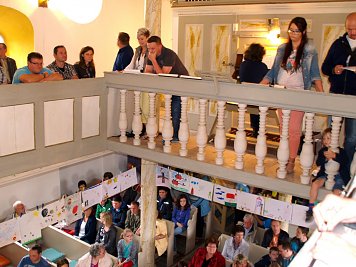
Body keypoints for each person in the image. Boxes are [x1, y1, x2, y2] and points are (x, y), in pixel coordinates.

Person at [261, 17, 324, 174]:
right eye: (290, 30)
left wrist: (322, 94)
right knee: (284, 129)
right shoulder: (283, 48)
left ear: (303, 32)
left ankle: (291, 161)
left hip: (299, 93)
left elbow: (315, 74)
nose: (293, 34)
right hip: (282, 91)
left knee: (294, 130)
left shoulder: (309, 50)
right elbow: (274, 71)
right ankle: (283, 157)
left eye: (296, 31)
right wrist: (261, 84)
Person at [322, 12, 356, 162]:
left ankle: (345, 168)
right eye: (349, 29)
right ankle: (326, 165)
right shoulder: (338, 44)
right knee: (330, 135)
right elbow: (325, 68)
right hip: (336, 94)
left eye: (355, 29)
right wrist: (334, 70)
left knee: (352, 137)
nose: (352, 32)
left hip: (354, 98)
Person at [145, 35, 189, 142]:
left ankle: (176, 136)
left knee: (176, 110)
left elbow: (164, 75)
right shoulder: (151, 55)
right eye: (149, 48)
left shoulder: (169, 54)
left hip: (181, 84)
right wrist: (152, 60)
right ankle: (169, 134)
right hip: (169, 86)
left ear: (160, 46)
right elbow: (147, 72)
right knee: (169, 111)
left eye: (153, 48)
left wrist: (154, 61)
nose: (150, 51)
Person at [305, 127, 350, 222]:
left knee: (337, 192)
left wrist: (334, 156)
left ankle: (332, 213)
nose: (326, 141)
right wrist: (325, 159)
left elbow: (345, 161)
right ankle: (311, 207)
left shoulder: (341, 151)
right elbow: (318, 163)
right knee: (315, 184)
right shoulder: (322, 151)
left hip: (339, 175)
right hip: (325, 174)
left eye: (328, 138)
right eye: (324, 138)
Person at [125, 28, 150, 136]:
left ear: (147, 38)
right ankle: (141, 129)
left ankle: (148, 130)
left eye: (142, 38)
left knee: (146, 107)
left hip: (147, 80)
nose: (140, 41)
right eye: (139, 39)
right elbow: (132, 64)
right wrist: (124, 71)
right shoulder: (138, 50)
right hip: (138, 80)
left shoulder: (151, 50)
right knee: (138, 106)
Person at [239, 43, 269, 137]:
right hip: (257, 99)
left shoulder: (243, 64)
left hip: (244, 96)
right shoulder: (262, 66)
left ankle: (255, 129)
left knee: (254, 96)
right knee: (260, 97)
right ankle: (258, 129)